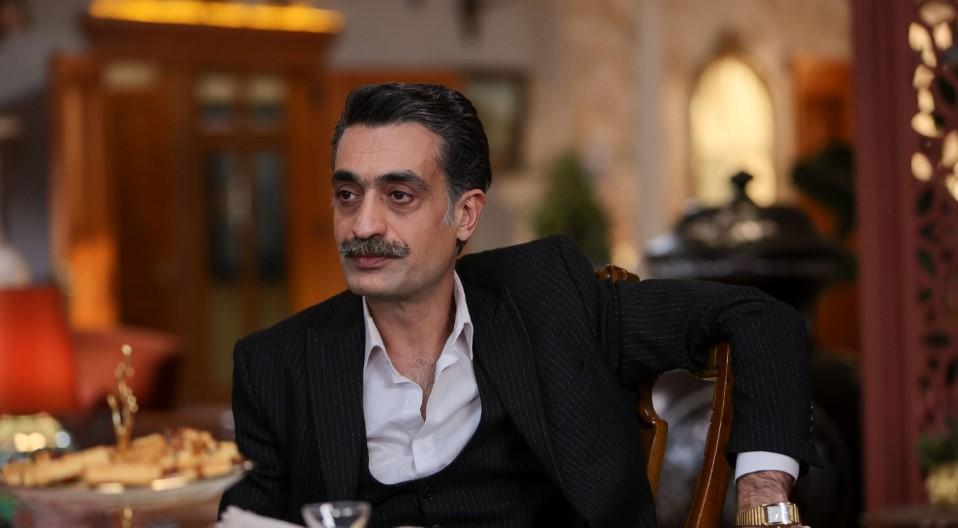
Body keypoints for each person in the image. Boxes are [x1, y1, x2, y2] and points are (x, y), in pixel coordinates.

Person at [219, 83, 819, 527]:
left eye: (399, 195)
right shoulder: (275, 363)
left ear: (466, 214)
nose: (363, 224)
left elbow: (761, 318)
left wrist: (763, 500)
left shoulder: (552, 298)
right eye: (348, 194)